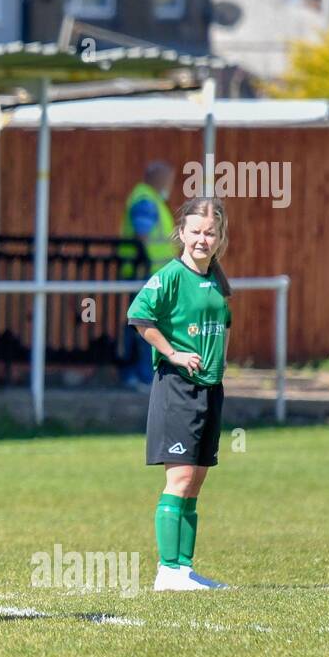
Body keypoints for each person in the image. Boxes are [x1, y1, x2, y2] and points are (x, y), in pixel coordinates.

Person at [126, 195, 232, 592]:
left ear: (220, 237)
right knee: (181, 476)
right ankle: (168, 571)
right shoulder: (170, 275)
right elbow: (138, 316)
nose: (202, 239)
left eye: (210, 233)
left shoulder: (217, 280)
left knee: (197, 478)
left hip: (210, 388)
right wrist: (171, 352)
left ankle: (184, 569)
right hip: (177, 387)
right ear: (182, 233)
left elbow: (225, 326)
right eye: (196, 232)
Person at [120, 161, 178, 389]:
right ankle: (141, 376)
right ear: (157, 178)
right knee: (145, 325)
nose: (169, 185)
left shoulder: (151, 199)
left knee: (143, 324)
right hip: (144, 275)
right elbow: (142, 234)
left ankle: (139, 374)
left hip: (151, 275)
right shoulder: (146, 200)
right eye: (168, 180)